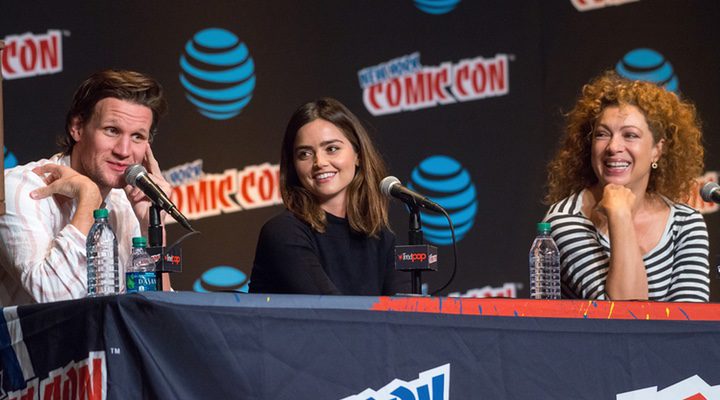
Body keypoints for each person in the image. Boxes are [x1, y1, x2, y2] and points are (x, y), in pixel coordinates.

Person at [0, 69, 172, 305]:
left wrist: (151, 227)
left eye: (137, 137)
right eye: (112, 131)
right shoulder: (19, 189)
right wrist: (88, 199)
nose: (123, 150)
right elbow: (59, 300)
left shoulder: (126, 205)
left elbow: (160, 312)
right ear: (78, 128)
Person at [543, 71, 710, 302]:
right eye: (602, 134)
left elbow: (689, 326)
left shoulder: (685, 223)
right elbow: (625, 313)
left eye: (630, 135)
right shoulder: (566, 220)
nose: (613, 147)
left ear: (657, 149)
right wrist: (620, 215)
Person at [249, 98, 409, 295]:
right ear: (293, 165)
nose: (320, 162)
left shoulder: (382, 237)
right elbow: (332, 315)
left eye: (331, 149)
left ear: (357, 154)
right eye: (305, 154)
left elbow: (403, 317)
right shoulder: (283, 232)